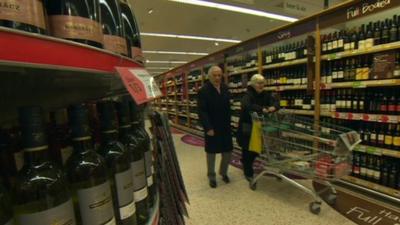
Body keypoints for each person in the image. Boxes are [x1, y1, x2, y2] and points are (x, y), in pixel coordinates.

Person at [236, 74, 279, 184]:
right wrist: (262, 109)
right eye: (258, 83)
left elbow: (276, 102)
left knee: (256, 150)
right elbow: (246, 106)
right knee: (248, 150)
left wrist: (274, 106)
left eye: (262, 83)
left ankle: (246, 162)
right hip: (248, 127)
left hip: (260, 126)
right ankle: (248, 173)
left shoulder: (266, 94)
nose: (261, 85)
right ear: (253, 84)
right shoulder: (248, 94)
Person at [197, 65, 233, 188]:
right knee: (211, 153)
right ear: (209, 76)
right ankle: (211, 176)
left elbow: (228, 107)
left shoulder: (225, 88)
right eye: (215, 75)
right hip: (212, 126)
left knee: (228, 151)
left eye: (219, 75)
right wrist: (208, 128)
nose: (217, 78)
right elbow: (202, 111)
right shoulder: (204, 90)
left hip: (225, 126)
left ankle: (223, 172)